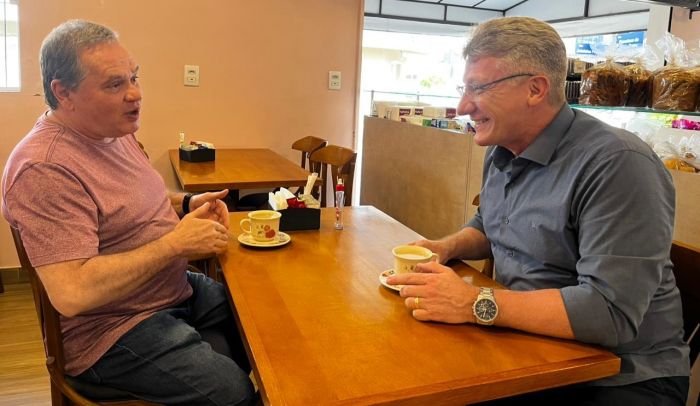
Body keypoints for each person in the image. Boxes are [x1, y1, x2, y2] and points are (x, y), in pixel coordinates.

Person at [388, 16, 690, 405]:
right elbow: (491, 224)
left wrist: (473, 302)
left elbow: (608, 312)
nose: (463, 107)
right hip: (529, 348)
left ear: (535, 89)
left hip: (621, 377)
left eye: (479, 88)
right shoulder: (502, 149)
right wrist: (445, 247)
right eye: (465, 88)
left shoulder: (618, 163)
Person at [1, 20, 256, 405]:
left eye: (134, 78)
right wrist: (175, 244)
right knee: (233, 393)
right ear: (63, 92)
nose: (135, 94)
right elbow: (73, 293)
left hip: (169, 290)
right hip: (110, 330)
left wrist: (187, 203)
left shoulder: (112, 130)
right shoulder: (44, 169)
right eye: (114, 85)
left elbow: (136, 199)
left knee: (262, 323)